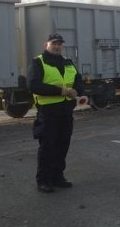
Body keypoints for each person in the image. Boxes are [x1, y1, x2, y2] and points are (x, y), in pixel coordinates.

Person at [28, 32, 85, 194]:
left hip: (66, 111)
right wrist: (59, 91)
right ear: (46, 44)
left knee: (62, 144)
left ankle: (57, 177)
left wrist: (77, 89)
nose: (57, 46)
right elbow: (33, 85)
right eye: (54, 43)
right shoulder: (38, 62)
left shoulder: (68, 63)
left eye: (60, 44)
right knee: (47, 147)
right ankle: (44, 180)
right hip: (48, 112)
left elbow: (79, 81)